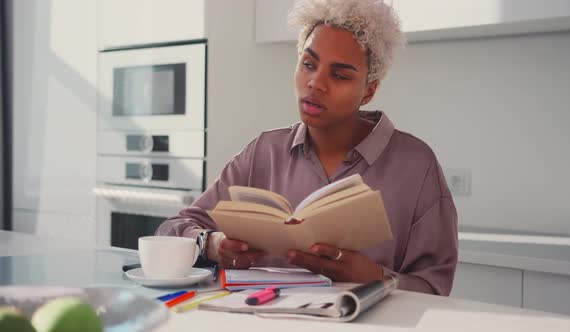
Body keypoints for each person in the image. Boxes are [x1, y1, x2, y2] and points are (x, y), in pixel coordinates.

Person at [156, 0, 458, 296]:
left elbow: (435, 287)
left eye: (339, 75)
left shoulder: (416, 165)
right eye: (309, 64)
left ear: (369, 90)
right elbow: (172, 229)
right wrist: (212, 244)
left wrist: (376, 277)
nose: (315, 83)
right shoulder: (264, 152)